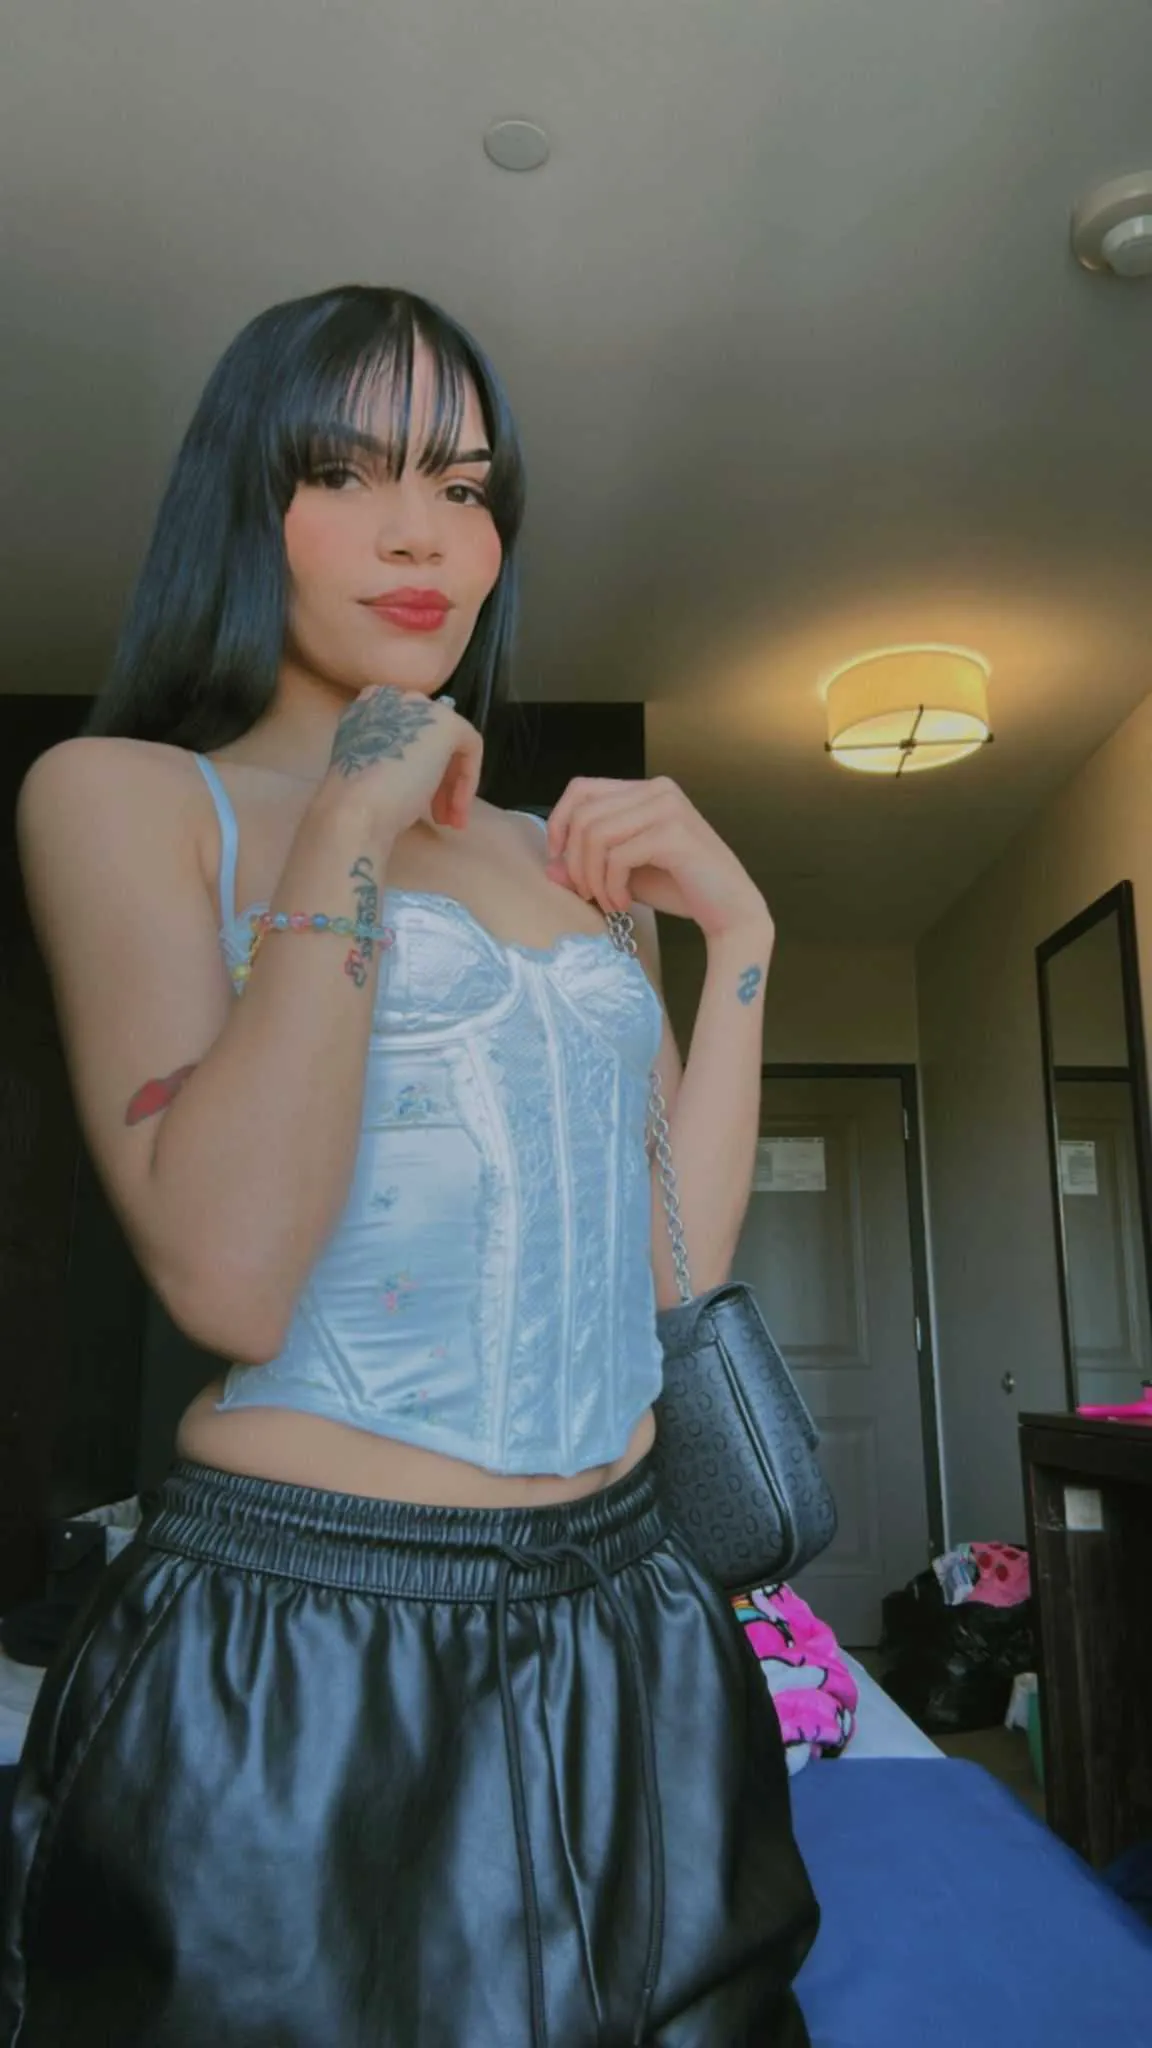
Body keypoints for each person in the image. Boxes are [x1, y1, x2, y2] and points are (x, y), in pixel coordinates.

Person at [0, 284, 818, 2046]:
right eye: (345, 471)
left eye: (463, 485)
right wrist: (351, 820)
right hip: (306, 1631)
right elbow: (226, 1274)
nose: (422, 534)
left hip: (635, 1618)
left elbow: (668, 1281)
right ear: (247, 500)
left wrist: (740, 944)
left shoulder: (570, 858)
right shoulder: (125, 796)